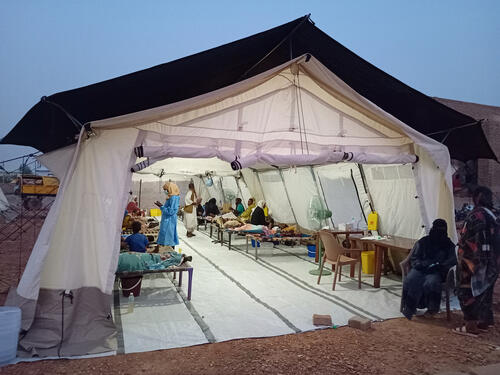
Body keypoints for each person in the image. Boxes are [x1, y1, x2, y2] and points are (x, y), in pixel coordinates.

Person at [454, 186, 500, 336]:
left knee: (467, 292)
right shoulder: (492, 215)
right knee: (485, 292)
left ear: (477, 198)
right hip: (491, 262)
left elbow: (470, 240)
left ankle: (471, 327)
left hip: (472, 262)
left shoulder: (475, 216)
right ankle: (484, 322)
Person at [401, 219, 456, 320]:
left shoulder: (449, 245)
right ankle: (410, 308)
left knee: (431, 283)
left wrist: (440, 265)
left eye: (441, 230)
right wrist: (420, 264)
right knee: (411, 279)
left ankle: (432, 309)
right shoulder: (423, 242)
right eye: (437, 229)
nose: (439, 232)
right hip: (420, 269)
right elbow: (414, 257)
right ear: (433, 229)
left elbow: (452, 261)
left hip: (436, 272)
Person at [155, 182, 180, 248]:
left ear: (170, 189)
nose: (165, 191)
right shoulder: (172, 197)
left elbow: (171, 211)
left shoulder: (174, 198)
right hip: (168, 219)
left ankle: (169, 252)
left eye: (166, 189)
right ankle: (167, 250)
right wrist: (162, 206)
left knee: (168, 237)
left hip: (169, 220)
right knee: (168, 236)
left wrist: (162, 206)